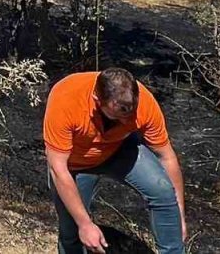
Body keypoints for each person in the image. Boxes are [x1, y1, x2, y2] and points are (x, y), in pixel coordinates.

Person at [43, 67, 186, 254]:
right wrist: (85, 224)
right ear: (97, 101)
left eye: (129, 113)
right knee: (72, 232)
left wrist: (179, 215)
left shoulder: (144, 103)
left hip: (118, 150)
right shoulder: (67, 99)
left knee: (162, 190)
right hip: (74, 166)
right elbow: (58, 169)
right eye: (118, 115)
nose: (125, 119)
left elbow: (167, 157)